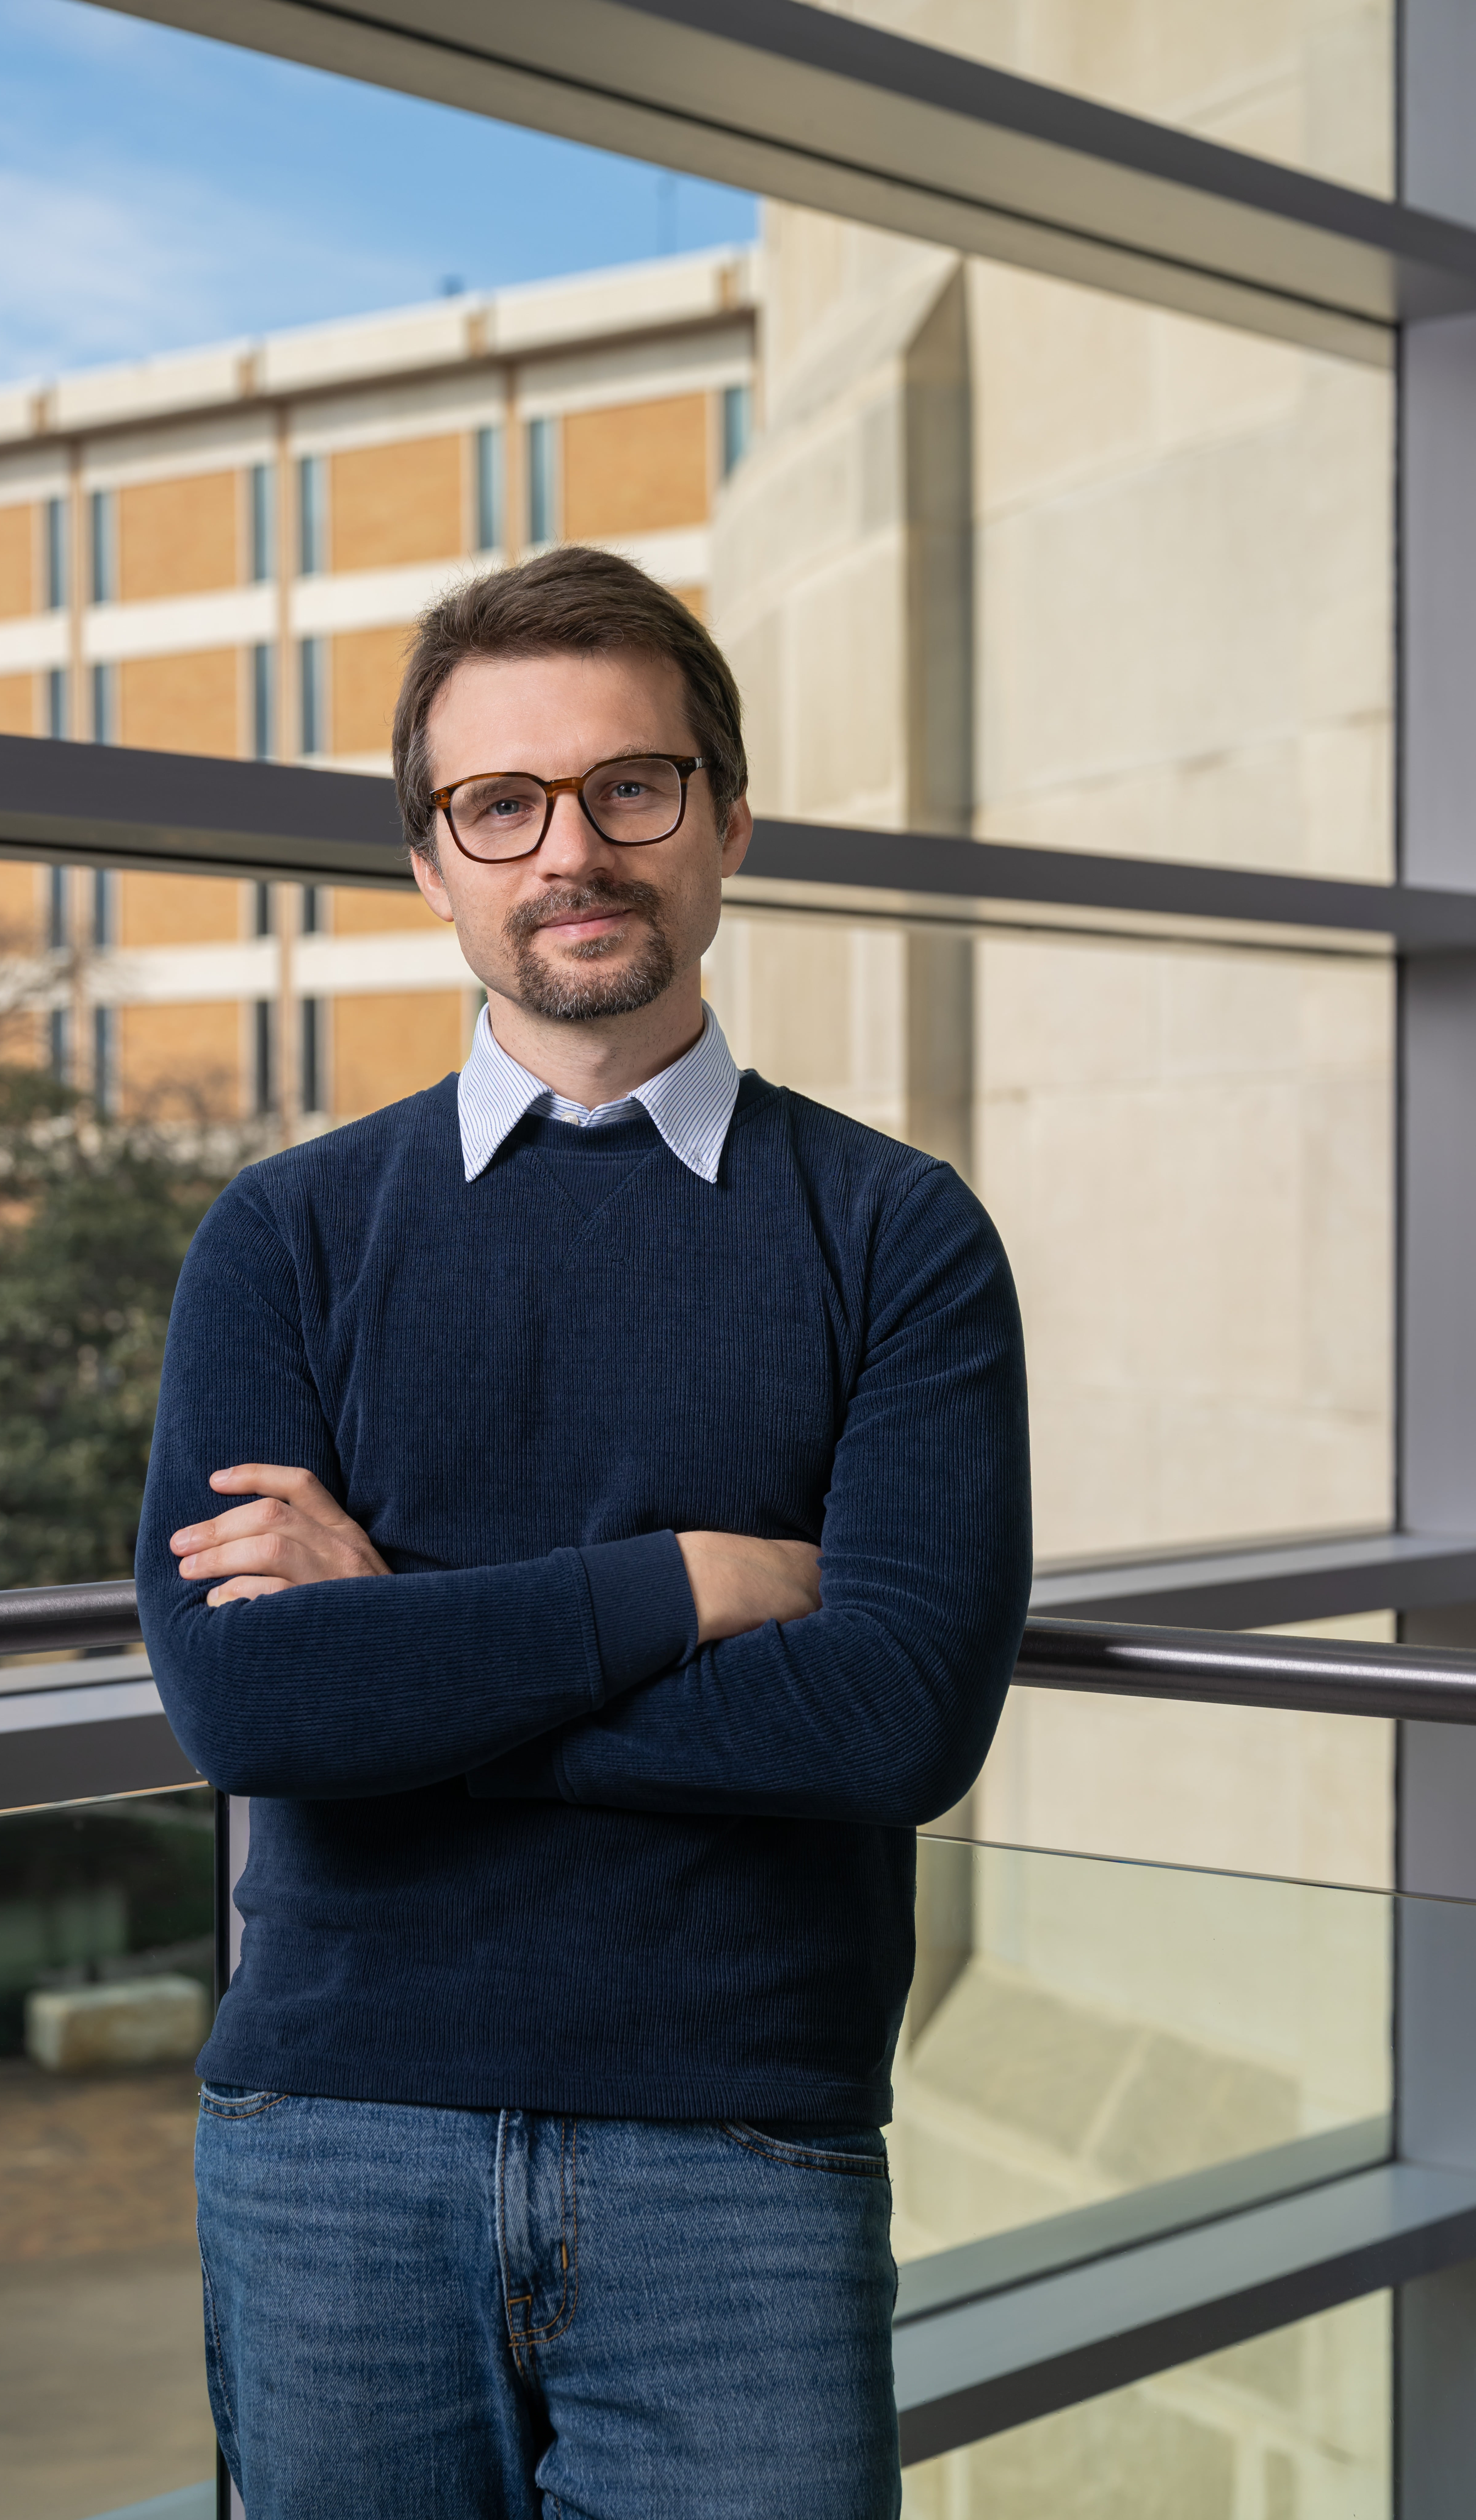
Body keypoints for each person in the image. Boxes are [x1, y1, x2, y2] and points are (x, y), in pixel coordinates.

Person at [138, 544, 1031, 2520]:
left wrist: (413, 1641)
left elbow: (892, 1722)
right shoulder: (284, 1239)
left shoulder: (899, 1237)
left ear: (726, 820)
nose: (574, 851)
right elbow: (253, 1712)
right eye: (503, 805)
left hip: (740, 2156)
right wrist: (694, 1586)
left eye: (633, 789)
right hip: (333, 2146)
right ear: (431, 858)